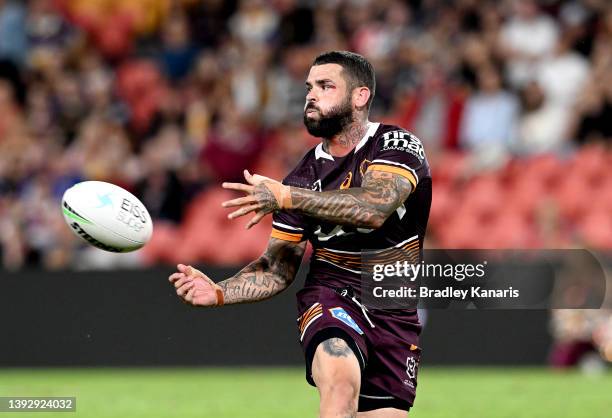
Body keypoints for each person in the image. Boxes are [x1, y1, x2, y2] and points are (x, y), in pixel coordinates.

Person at [169, 51, 431, 417]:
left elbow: (375, 207)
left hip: (394, 309)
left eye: (325, 86)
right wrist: (219, 291)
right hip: (332, 294)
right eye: (309, 86)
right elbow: (278, 268)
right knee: (339, 385)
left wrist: (286, 197)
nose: (311, 94)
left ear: (360, 96)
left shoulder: (395, 145)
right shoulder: (303, 176)